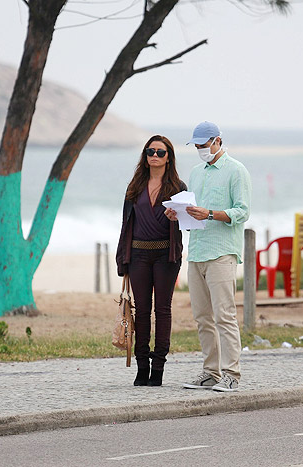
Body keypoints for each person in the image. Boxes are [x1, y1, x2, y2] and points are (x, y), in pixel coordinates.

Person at [165, 121, 251, 393]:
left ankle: (231, 374)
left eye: (204, 144)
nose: (201, 149)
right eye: (197, 146)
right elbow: (194, 212)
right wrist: (178, 214)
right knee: (202, 316)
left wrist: (212, 213)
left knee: (224, 315)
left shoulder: (236, 171)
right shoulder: (197, 172)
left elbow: (242, 212)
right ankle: (210, 372)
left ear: (217, 140)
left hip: (222, 252)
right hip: (198, 250)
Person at [116, 136, 185, 387]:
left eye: (160, 151)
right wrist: (123, 259)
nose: (154, 155)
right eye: (150, 151)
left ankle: (158, 369)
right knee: (141, 311)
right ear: (145, 156)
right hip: (138, 256)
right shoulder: (134, 186)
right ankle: (141, 366)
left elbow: (189, 225)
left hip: (166, 256)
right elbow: (125, 225)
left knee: (162, 310)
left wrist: (177, 217)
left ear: (169, 157)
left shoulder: (178, 187)